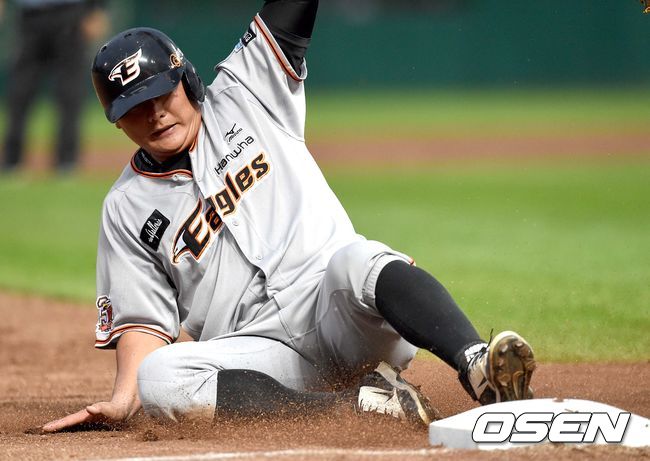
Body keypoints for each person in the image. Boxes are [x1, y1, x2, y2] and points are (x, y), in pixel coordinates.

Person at [42, 0, 535, 432]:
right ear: (117, 122)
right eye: (134, 108)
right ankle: (363, 406)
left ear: (186, 78)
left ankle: (477, 366)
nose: (154, 114)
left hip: (341, 313)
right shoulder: (126, 207)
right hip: (264, 357)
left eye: (161, 95)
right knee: (160, 378)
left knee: (357, 259)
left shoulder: (248, 89)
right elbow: (143, 322)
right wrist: (124, 399)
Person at [1, 0, 108, 173]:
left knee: (69, 92)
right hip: (30, 15)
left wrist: (96, 9)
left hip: (70, 14)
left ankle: (67, 162)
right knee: (20, 91)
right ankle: (11, 160)